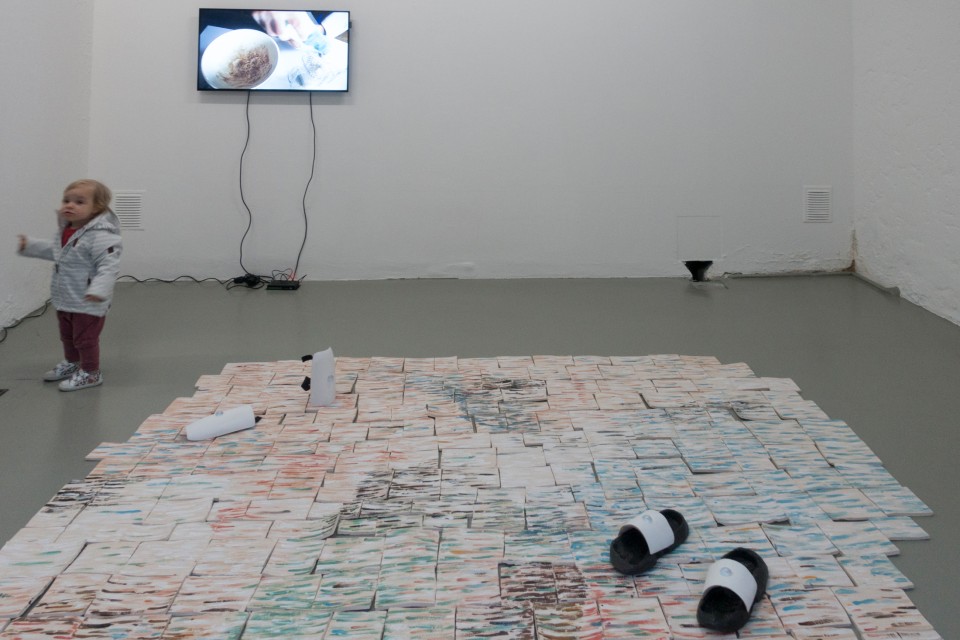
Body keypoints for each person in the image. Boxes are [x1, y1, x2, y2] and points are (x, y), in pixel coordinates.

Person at [17, 179, 122, 391]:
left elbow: (109, 265)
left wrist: (99, 289)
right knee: (68, 336)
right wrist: (31, 246)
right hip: (66, 297)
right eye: (67, 200)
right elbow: (58, 252)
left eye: (79, 202)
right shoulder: (68, 230)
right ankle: (73, 362)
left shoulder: (102, 236)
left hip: (89, 300)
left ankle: (91, 373)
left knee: (85, 338)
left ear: (96, 208)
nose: (70, 205)